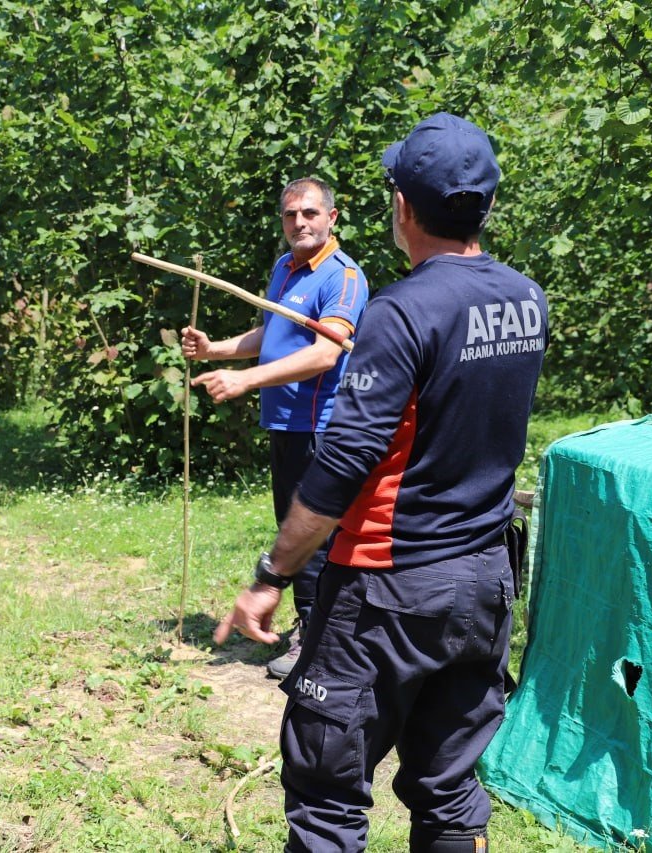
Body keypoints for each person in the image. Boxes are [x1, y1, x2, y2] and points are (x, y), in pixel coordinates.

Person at [213, 113, 549, 852]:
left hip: (387, 588)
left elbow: (342, 461)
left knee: (327, 785)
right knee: (449, 784)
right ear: (485, 203)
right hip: (485, 581)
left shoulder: (400, 310)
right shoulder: (528, 298)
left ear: (402, 208)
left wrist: (272, 571)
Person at [182, 177, 368, 679]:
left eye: (309, 213)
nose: (299, 223)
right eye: (290, 215)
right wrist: (216, 349)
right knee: (291, 523)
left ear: (332, 217)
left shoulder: (343, 277)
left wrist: (246, 380)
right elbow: (276, 332)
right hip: (284, 422)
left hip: (321, 426)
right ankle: (311, 626)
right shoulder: (285, 268)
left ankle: (319, 638)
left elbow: (325, 353)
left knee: (317, 532)